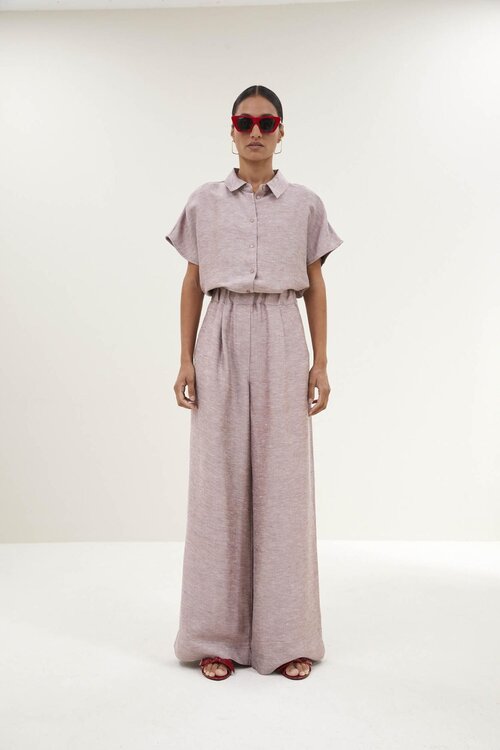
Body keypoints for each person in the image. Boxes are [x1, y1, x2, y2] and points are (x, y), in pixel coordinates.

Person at [166, 84, 344, 681]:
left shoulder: (306, 205)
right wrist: (185, 358)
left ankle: (287, 636)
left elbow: (315, 286)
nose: (256, 132)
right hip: (219, 332)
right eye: (245, 122)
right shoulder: (204, 201)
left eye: (267, 122)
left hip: (282, 333)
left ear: (281, 131)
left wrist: (320, 362)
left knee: (284, 488)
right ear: (232, 129)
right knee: (217, 486)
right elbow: (192, 282)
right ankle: (214, 637)